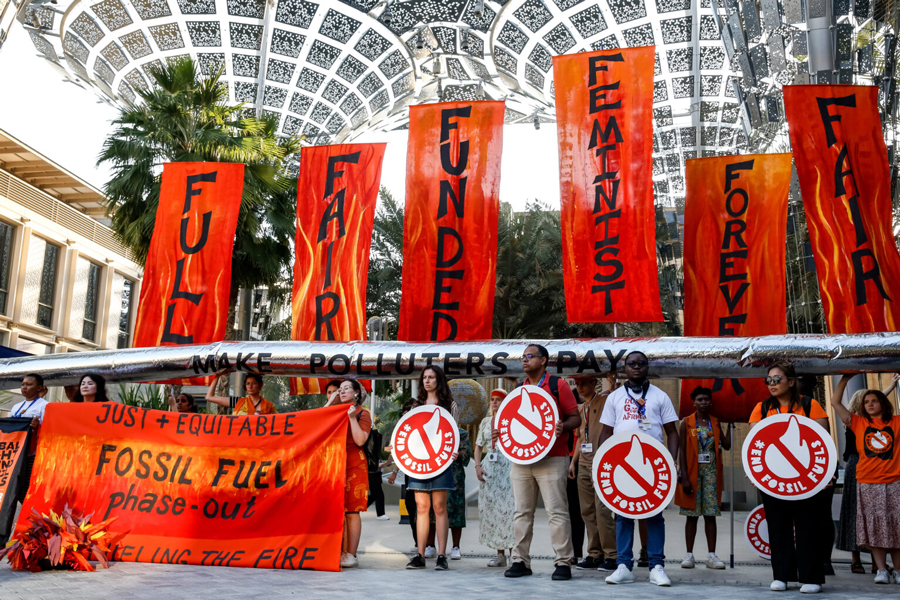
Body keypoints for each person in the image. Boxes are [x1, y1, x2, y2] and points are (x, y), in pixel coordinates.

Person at [498, 344, 581, 581]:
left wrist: (562, 426)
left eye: (530, 356)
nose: (525, 360)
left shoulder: (558, 385)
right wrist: (500, 434)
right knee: (521, 512)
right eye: (523, 357)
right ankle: (520, 560)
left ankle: (563, 562)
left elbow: (575, 418)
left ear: (543, 360)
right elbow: (511, 423)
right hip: (522, 460)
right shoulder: (519, 388)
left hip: (553, 458)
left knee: (557, 512)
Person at [599, 351, 680, 586]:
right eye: (631, 364)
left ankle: (656, 566)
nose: (636, 367)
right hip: (621, 467)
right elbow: (605, 433)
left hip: (653, 467)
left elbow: (672, 433)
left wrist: (671, 463)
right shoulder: (614, 397)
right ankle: (623, 565)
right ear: (625, 367)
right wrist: (600, 465)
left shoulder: (660, 396)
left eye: (641, 364)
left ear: (647, 367)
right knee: (623, 515)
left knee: (654, 515)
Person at [749, 363, 830, 594]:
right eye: (769, 380)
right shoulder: (762, 408)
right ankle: (782, 576)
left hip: (805, 479)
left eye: (777, 379)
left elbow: (822, 443)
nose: (772, 384)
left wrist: (825, 474)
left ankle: (811, 577)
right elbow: (756, 444)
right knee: (777, 526)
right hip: (774, 480)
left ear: (791, 381)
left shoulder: (809, 405)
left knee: (808, 527)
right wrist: (755, 471)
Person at [831, 374, 900, 584]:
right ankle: (881, 569)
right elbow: (834, 402)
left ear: (883, 403)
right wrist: (845, 378)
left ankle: (897, 569)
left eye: (874, 401)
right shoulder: (858, 423)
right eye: (866, 402)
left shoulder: (896, 422)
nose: (869, 404)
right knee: (874, 526)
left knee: (896, 527)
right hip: (868, 482)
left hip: (895, 481)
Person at [402, 366, 459, 571]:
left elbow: (453, 432)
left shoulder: (449, 405)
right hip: (420, 461)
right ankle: (420, 554)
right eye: (424, 377)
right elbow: (408, 433)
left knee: (440, 507)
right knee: (421, 508)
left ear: (439, 380)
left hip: (441, 461)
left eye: (432, 377)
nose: (427, 381)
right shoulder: (416, 405)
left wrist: (454, 451)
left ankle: (442, 555)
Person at [675, 386, 730, 570]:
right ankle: (689, 555)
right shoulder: (687, 422)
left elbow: (727, 445)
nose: (704, 402)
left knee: (710, 515)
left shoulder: (715, 422)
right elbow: (682, 451)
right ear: (694, 402)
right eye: (700, 399)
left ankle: (711, 556)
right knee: (691, 516)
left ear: (710, 401)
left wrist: (730, 425)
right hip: (692, 473)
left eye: (706, 399)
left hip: (711, 475)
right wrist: (683, 476)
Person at [568, 374, 617, 572]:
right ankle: (594, 553)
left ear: (592, 383)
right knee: (586, 511)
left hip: (602, 463)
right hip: (584, 465)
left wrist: (613, 385)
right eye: (577, 384)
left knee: (602, 510)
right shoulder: (580, 409)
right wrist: (573, 463)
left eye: (583, 383)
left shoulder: (604, 401)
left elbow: (615, 398)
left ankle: (611, 555)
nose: (579, 387)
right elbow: (580, 439)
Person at [0, 374, 49, 544]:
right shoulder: (16, 407)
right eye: (22, 384)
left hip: (32, 456)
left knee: (26, 493)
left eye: (29, 384)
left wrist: (38, 426)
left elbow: (49, 429)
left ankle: (36, 528)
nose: (24, 387)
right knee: (15, 491)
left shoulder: (45, 406)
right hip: (15, 456)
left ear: (39, 387)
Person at [327, 379, 371, 568]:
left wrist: (352, 417)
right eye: (339, 389)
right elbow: (317, 421)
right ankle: (337, 551)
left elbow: (360, 440)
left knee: (352, 511)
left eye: (346, 389)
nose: (342, 392)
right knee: (336, 509)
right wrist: (331, 402)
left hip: (354, 465)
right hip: (335, 463)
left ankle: (351, 553)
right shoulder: (334, 412)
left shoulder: (363, 414)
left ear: (356, 393)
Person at [474, 388, 515, 567]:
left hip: (508, 468)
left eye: (499, 399)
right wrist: (477, 466)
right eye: (492, 399)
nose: (495, 402)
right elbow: (478, 446)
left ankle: (515, 554)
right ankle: (500, 554)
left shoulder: (512, 421)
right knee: (493, 512)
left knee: (511, 511)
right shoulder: (485, 422)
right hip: (490, 468)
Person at [206, 372, 276, 415]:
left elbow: (278, 424)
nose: (250, 386)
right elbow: (209, 397)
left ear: (260, 385)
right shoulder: (238, 401)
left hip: (260, 438)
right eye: (248, 383)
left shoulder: (269, 406)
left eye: (254, 383)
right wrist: (218, 376)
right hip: (241, 438)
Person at [448, 427, 470, 559]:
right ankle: (430, 545)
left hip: (455, 476)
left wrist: (459, 455)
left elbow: (466, 453)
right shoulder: (431, 430)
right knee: (432, 510)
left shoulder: (461, 433)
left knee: (456, 510)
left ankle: (456, 547)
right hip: (435, 474)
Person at [365, 425, 389, 520]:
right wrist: (375, 465)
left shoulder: (372, 444)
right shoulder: (369, 441)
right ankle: (380, 513)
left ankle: (358, 508)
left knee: (375, 494)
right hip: (372, 471)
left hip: (375, 471)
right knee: (378, 493)